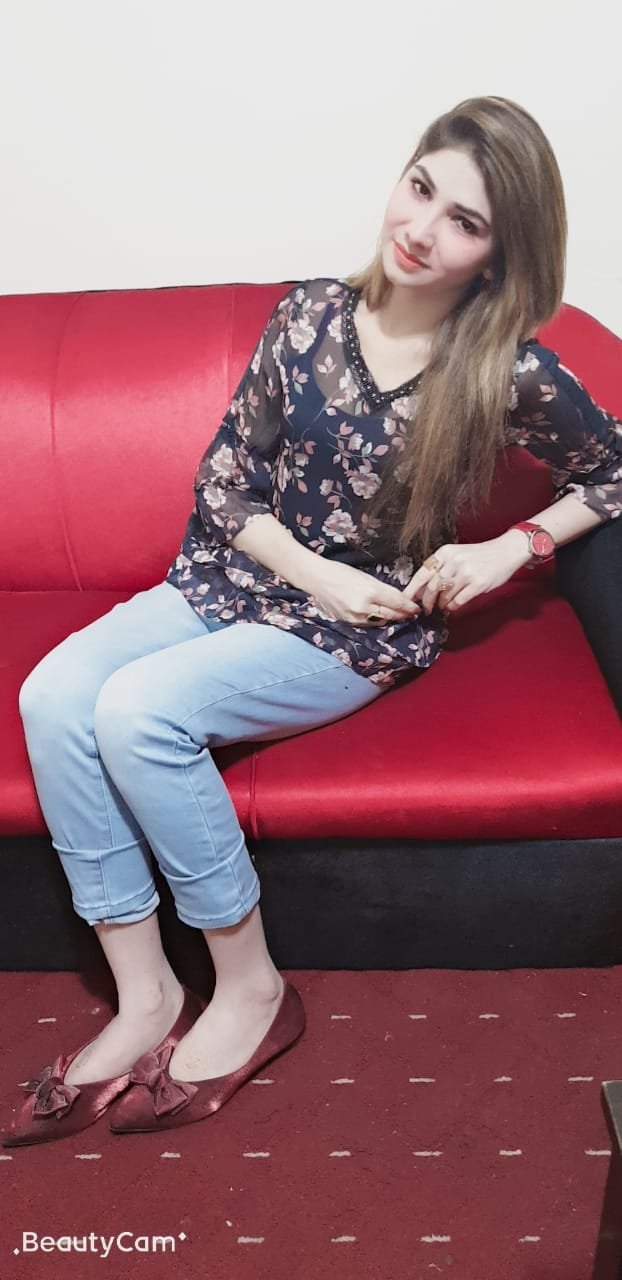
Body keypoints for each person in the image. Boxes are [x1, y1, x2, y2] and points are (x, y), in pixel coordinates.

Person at [4, 95, 622, 1147]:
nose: (421, 228)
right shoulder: (309, 317)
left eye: (464, 221)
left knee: (139, 712)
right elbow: (223, 485)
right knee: (53, 693)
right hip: (236, 580)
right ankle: (146, 995)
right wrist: (311, 571)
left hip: (356, 629)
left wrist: (511, 546)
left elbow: (611, 469)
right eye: (420, 187)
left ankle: (251, 989)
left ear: (499, 254)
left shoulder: (507, 370)